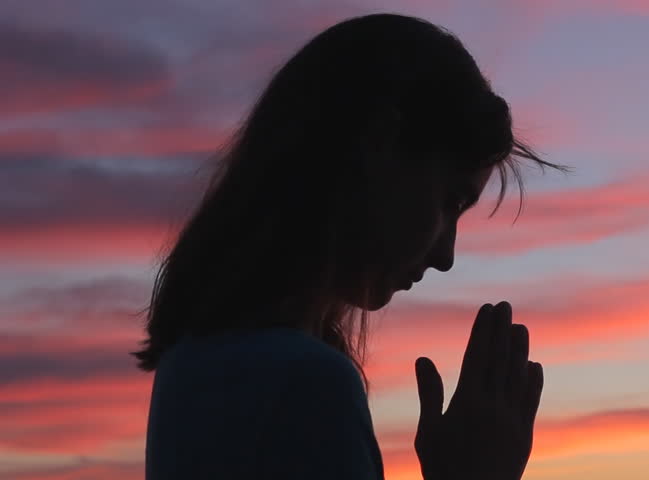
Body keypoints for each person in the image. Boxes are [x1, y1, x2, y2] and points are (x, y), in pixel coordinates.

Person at [133, 12, 571, 480]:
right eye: (449, 201)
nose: (445, 256)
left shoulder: (193, 364)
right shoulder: (303, 382)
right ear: (378, 146)